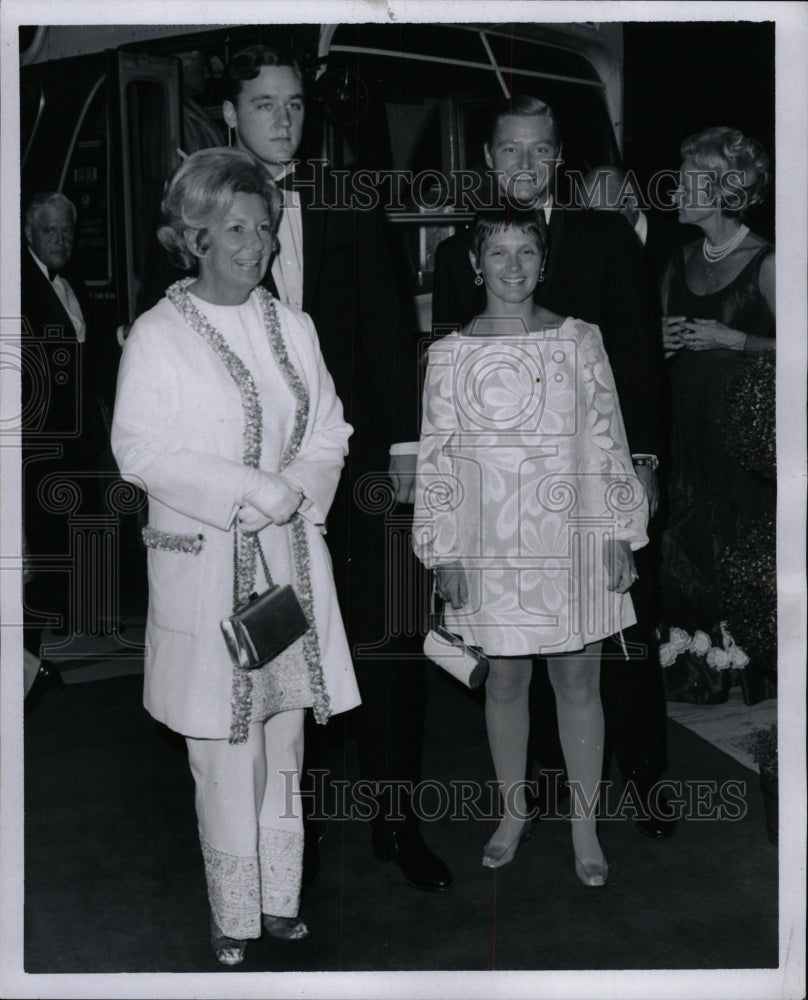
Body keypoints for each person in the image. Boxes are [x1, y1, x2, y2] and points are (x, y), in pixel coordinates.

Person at [110, 147, 360, 965]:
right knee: (221, 747)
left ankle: (279, 899)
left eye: (265, 226)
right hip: (208, 567)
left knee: (285, 738)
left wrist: (296, 489)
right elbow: (139, 449)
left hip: (289, 564)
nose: (257, 245)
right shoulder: (157, 333)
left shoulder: (294, 324)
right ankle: (233, 911)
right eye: (236, 230)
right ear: (195, 237)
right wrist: (255, 489)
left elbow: (331, 428)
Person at [221, 44, 452, 892]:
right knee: (280, 656)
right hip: (254, 485)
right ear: (231, 116)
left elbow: (392, 333)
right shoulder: (205, 208)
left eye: (292, 103)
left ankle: (397, 825)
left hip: (357, 468)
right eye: (263, 104)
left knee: (388, 640)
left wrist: (404, 456)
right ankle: (295, 833)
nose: (282, 119)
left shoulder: (346, 196)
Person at [432, 95, 675, 838]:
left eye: (540, 150)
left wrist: (644, 463)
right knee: (511, 656)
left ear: (559, 157)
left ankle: (640, 780)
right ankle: (533, 785)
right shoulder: (454, 254)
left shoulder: (604, 237)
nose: (526, 164)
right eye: (511, 150)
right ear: (488, 158)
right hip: (501, 508)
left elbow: (637, 359)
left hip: (592, 492)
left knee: (615, 645)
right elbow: (449, 403)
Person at [414, 209, 649, 884]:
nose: (512, 266)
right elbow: (440, 461)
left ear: (543, 262)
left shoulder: (580, 340)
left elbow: (609, 440)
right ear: (474, 264)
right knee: (507, 682)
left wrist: (618, 533)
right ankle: (514, 811)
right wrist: (445, 552)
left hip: (573, 536)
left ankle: (585, 828)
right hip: (491, 546)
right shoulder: (450, 355)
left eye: (525, 252)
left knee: (578, 681)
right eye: (498, 252)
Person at [660, 127, 775, 646]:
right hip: (686, 427)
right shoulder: (677, 260)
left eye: (687, 183)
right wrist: (660, 342)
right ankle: (698, 656)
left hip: (741, 435)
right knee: (688, 535)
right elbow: (662, 345)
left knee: (738, 532)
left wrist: (736, 337)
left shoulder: (766, 262)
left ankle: (746, 657)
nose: (675, 192)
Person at [21, 192, 97, 703]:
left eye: (67, 230)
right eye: (51, 231)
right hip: (35, 445)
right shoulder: (18, 285)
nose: (61, 239)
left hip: (68, 444)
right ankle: (27, 661)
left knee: (54, 547)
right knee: (34, 551)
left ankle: (39, 653)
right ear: (29, 233)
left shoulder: (71, 286)